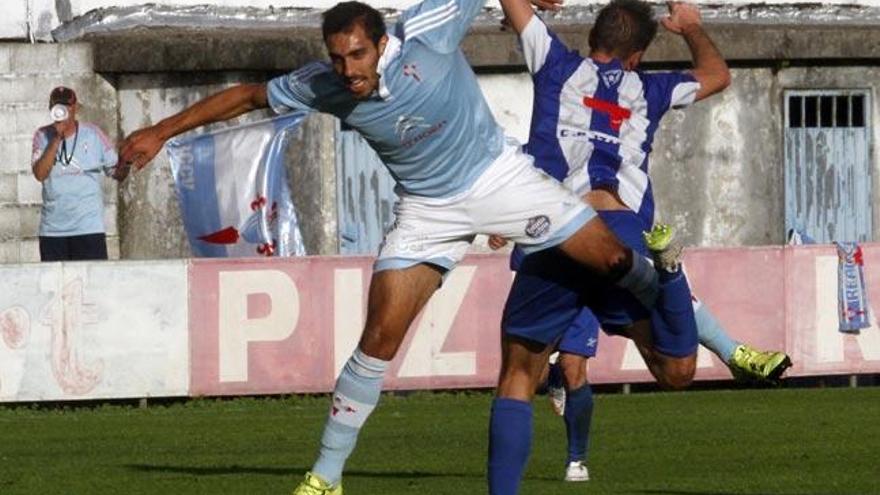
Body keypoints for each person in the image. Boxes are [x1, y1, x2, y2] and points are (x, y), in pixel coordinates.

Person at [116, 1, 697, 493]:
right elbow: (248, 96)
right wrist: (160, 131)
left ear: (381, 43)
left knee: (618, 262)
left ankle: (698, 319)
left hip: (498, 180)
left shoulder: (426, 31)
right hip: (426, 210)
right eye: (338, 57)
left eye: (357, 56)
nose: (347, 70)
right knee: (379, 338)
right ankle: (325, 476)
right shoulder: (324, 83)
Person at [486, 0, 752, 492]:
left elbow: (514, 7)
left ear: (593, 38)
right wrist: (690, 27)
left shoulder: (555, 63)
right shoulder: (650, 88)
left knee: (518, 378)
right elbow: (717, 75)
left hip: (558, 231)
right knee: (676, 370)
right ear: (637, 56)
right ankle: (669, 274)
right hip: (620, 231)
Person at [31, 86, 129, 261]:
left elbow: (116, 172)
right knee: (55, 286)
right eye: (57, 106)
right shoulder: (42, 135)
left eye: (66, 106)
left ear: (75, 107)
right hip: (53, 231)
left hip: (88, 228)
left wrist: (128, 160)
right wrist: (56, 138)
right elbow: (39, 174)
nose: (62, 111)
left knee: (93, 285)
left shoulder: (93, 134)